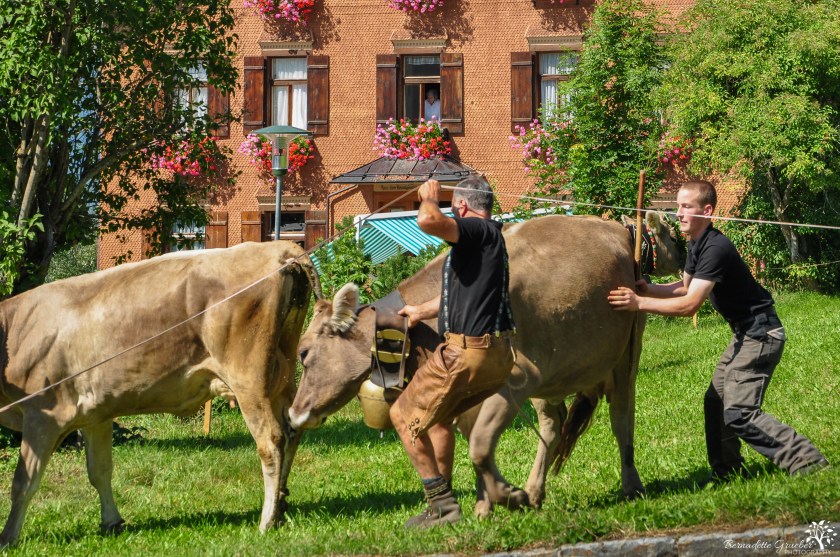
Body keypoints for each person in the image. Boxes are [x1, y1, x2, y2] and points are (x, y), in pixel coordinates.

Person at [608, 180, 829, 484]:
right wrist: (649, 289)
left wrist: (639, 303)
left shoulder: (716, 247)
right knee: (716, 403)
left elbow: (690, 305)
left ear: (707, 210)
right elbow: (685, 287)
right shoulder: (697, 243)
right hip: (745, 333)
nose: (678, 213)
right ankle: (728, 471)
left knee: (739, 412)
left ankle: (808, 461)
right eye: (677, 206)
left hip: (761, 334)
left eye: (686, 207)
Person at [392, 175, 515, 528]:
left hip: (466, 353)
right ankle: (445, 502)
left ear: (461, 206)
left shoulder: (477, 230)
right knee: (438, 418)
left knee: (401, 414)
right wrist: (420, 310)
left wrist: (429, 197)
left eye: (453, 207)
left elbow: (428, 221)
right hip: (498, 357)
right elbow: (459, 295)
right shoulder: (489, 240)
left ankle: (442, 505)